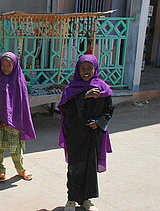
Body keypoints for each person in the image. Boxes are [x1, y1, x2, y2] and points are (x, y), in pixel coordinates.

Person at [58, 55, 114, 211]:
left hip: (93, 134)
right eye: (83, 68)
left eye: (89, 68)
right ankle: (71, 199)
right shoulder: (72, 89)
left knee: (90, 166)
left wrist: (99, 123)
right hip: (75, 134)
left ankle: (87, 199)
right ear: (78, 69)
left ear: (95, 69)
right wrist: (84, 96)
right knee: (75, 166)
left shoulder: (103, 88)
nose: (86, 71)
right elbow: (65, 110)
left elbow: (109, 111)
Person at [0, 52, 36, 183]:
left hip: (13, 122)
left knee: (16, 148)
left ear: (15, 65)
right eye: (3, 65)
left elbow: (21, 105)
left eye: (9, 65)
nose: (6, 68)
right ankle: (0, 171)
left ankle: (21, 169)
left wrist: (10, 119)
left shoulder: (19, 81)